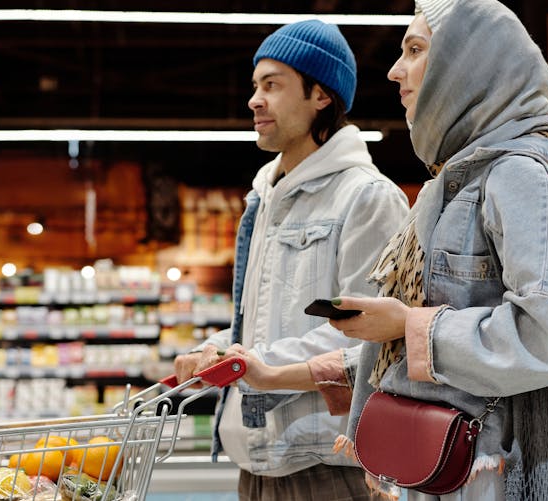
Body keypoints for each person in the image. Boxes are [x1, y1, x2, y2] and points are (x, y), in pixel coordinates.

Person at [256, 0, 548, 499]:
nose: (394, 69)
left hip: (493, 475)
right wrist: (368, 427)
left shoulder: (516, 178)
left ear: (465, 67)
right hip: (434, 471)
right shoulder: (440, 190)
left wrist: (407, 324)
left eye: (415, 49)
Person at [173, 19, 409, 501]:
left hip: (326, 462)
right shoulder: (265, 197)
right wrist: (219, 349)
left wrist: (251, 365)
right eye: (255, 86)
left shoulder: (366, 198)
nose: (254, 100)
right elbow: (261, 323)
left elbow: (365, 337)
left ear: (320, 96)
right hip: (255, 463)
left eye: (272, 85)